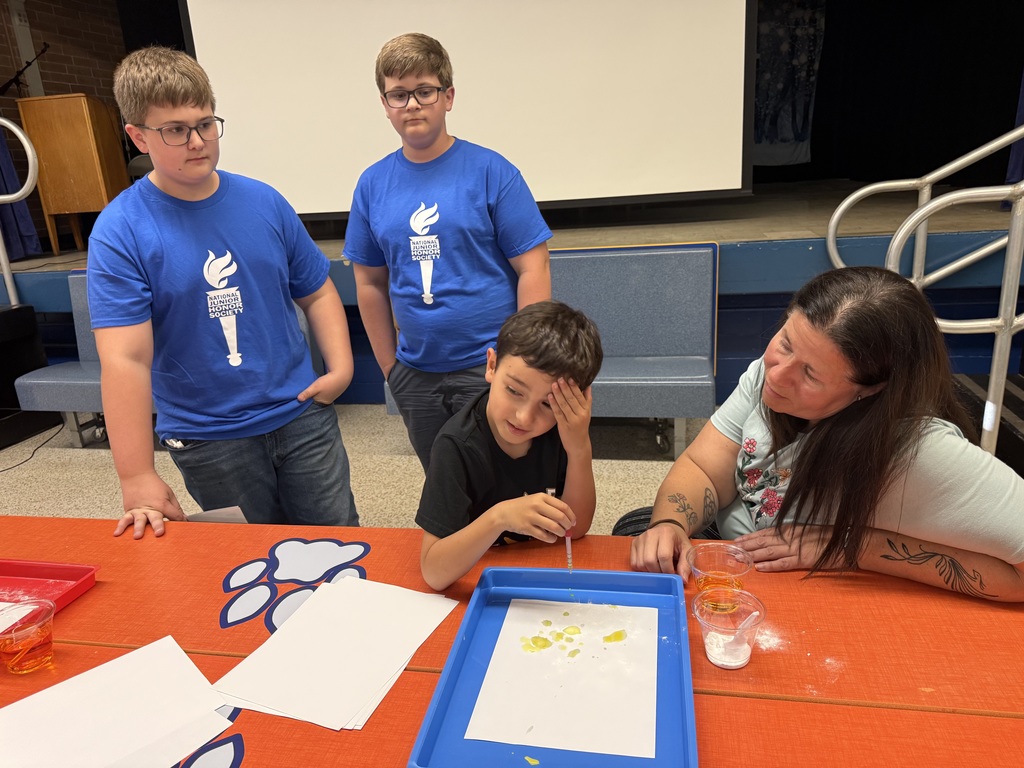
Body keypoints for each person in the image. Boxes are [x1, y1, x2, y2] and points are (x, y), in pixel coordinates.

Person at [88, 46, 359, 539]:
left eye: (206, 123)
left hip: (300, 414)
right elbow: (125, 359)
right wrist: (136, 474)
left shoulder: (263, 201)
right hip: (210, 436)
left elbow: (317, 291)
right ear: (138, 136)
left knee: (338, 540)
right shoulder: (121, 230)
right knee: (252, 559)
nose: (197, 141)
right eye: (175, 130)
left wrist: (341, 369)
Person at [629, 266, 1024, 602]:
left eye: (811, 374)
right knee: (637, 531)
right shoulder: (768, 375)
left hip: (815, 589)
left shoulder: (919, 453)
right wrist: (671, 525)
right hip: (741, 552)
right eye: (784, 342)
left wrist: (854, 545)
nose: (778, 373)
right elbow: (703, 467)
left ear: (868, 390)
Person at [344, 32, 552, 472]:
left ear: (448, 96)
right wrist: (390, 369)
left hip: (490, 367)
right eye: (398, 94)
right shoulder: (372, 185)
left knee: (505, 476)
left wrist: (521, 361)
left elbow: (533, 266)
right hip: (415, 374)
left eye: (425, 90)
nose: (412, 104)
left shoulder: (491, 171)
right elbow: (369, 283)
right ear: (385, 104)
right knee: (444, 480)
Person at [416, 300, 603, 591]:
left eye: (547, 404)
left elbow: (574, 529)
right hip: (480, 579)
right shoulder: (456, 445)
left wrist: (580, 448)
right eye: (514, 391)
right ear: (491, 366)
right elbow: (433, 572)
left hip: (540, 574)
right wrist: (500, 517)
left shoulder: (563, 431)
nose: (524, 417)